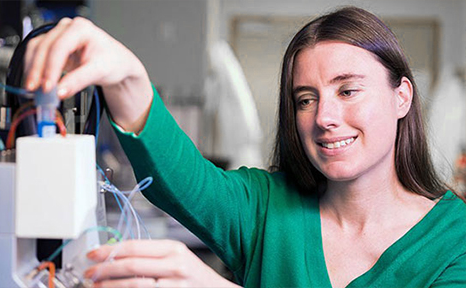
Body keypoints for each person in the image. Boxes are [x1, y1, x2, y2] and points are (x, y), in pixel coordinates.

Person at [24, 6, 466, 288]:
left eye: (347, 91)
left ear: (402, 96)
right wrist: (127, 77)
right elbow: (183, 178)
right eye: (306, 99)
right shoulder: (263, 208)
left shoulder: (455, 239)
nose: (324, 117)